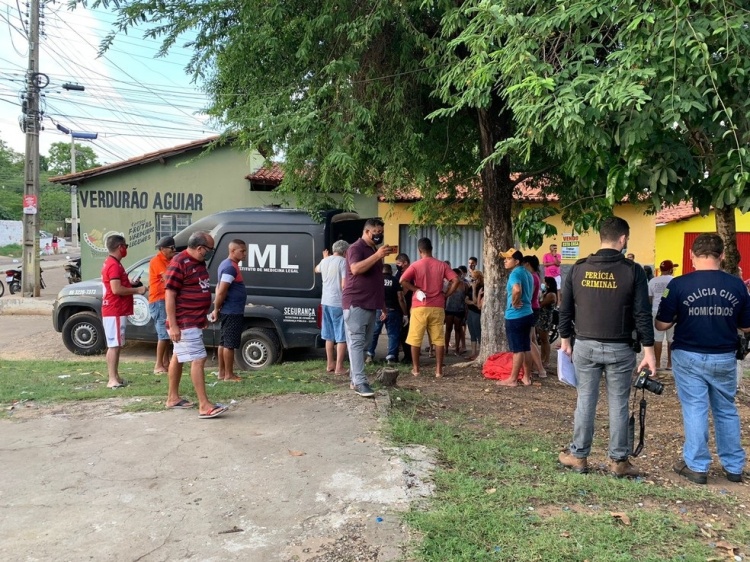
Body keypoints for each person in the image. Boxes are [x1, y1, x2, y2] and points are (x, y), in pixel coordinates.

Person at [558, 216, 656, 478]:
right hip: (621, 348)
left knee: (585, 401)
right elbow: (642, 313)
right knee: (619, 404)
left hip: (585, 346)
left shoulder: (578, 269)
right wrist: (649, 351)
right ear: (623, 239)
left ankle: (578, 456)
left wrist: (565, 339)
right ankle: (618, 462)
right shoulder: (632, 270)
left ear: (601, 236)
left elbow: (565, 308)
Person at [656, 234, 750, 485]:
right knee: (726, 410)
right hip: (724, 355)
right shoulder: (737, 285)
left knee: (695, 408)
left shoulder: (678, 285)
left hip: (688, 354)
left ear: (692, 256)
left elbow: (662, 323)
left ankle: (697, 466)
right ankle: (734, 466)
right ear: (721, 256)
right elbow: (746, 326)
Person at [165, 231, 228, 417]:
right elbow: (169, 294)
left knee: (178, 356)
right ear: (200, 248)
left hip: (194, 319)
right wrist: (174, 325)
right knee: (198, 359)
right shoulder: (179, 263)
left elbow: (198, 288)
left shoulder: (199, 263)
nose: (210, 253)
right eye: (209, 249)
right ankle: (204, 405)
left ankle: (172, 398)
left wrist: (203, 316)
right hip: (184, 321)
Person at [342, 219, 396, 397]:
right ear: (366, 232)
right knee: (357, 342)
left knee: (365, 344)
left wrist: (382, 305)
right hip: (356, 302)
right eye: (376, 231)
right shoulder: (355, 248)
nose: (379, 234)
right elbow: (356, 269)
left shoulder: (373, 249)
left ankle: (354, 379)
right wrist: (377, 256)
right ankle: (360, 382)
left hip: (372, 304)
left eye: (381, 230)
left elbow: (376, 280)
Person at [400, 237, 461, 377]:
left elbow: (402, 280)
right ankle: (439, 370)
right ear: (432, 249)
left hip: (419, 306)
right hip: (438, 306)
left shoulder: (415, 265)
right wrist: (447, 294)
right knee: (438, 339)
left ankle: (416, 369)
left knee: (415, 338)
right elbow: (456, 280)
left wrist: (415, 289)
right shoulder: (442, 265)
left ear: (419, 250)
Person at [101, 234, 147, 389]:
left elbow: (118, 284)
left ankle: (115, 376)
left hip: (115, 309)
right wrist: (137, 289)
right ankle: (112, 379)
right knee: (114, 345)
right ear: (120, 247)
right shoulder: (113, 265)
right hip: (115, 309)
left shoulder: (113, 263)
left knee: (116, 344)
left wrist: (131, 283)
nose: (126, 249)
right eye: (125, 246)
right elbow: (116, 289)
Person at [209, 239, 248, 382]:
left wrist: (217, 308)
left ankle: (222, 372)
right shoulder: (230, 267)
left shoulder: (228, 265)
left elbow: (219, 287)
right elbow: (221, 290)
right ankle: (229, 375)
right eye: (242, 251)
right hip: (232, 310)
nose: (245, 254)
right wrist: (216, 309)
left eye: (245, 251)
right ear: (232, 251)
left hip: (229, 309)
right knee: (229, 344)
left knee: (224, 342)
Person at [496, 249, 535, 387]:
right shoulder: (528, 273)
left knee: (518, 349)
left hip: (515, 316)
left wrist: (514, 301)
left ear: (516, 261)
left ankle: (512, 379)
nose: (505, 261)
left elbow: (517, 289)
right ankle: (527, 377)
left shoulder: (515, 273)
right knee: (526, 347)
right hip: (528, 313)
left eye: (508, 258)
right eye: (504, 258)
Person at [315, 240, 349, 375]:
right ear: (345, 252)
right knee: (341, 337)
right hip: (338, 303)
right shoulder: (343, 263)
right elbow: (344, 285)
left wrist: (325, 259)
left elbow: (316, 269)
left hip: (325, 302)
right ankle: (339, 367)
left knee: (329, 336)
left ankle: (330, 364)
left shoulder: (325, 261)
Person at [367, 263, 407, 365]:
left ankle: (369, 355)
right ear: (391, 271)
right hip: (393, 310)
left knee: (374, 333)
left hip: (377, 310)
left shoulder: (376, 281)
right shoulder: (395, 281)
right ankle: (391, 358)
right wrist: (405, 313)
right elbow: (400, 298)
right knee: (393, 334)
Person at [148, 236, 177, 374]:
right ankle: (158, 365)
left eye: (174, 247)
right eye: (171, 248)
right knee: (163, 335)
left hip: (165, 299)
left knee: (166, 333)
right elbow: (169, 278)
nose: (174, 250)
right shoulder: (157, 261)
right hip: (159, 300)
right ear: (162, 249)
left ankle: (166, 362)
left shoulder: (170, 260)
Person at [648, 259, 678, 370]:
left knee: (657, 339)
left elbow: (650, 299)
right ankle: (670, 364)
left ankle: (657, 364)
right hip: (672, 312)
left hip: (656, 310)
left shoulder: (652, 281)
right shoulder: (675, 280)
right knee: (671, 339)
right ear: (671, 270)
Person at [522, 255, 547, 378]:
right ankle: (536, 368)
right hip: (534, 308)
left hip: (531, 308)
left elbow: (529, 295)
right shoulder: (535, 276)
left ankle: (540, 369)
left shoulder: (532, 277)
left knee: (529, 341)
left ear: (527, 264)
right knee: (532, 340)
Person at [395, 252, 413, 364]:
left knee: (407, 333)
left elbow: (404, 291)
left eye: (399, 263)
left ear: (405, 263)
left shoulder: (410, 273)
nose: (397, 265)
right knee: (401, 333)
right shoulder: (398, 273)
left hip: (409, 306)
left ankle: (408, 356)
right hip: (400, 307)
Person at [445, 268, 467, 355]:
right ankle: (446, 348)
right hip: (449, 309)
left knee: (457, 329)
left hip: (459, 310)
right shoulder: (448, 284)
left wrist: (466, 312)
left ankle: (457, 348)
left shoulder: (464, 285)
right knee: (448, 329)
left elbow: (466, 299)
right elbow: (444, 296)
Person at [537, 276, 558, 367]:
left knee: (545, 340)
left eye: (545, 283)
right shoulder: (546, 293)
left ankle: (547, 360)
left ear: (548, 284)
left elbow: (541, 304)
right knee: (542, 340)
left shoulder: (551, 295)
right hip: (542, 318)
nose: (543, 284)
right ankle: (542, 358)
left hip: (545, 319)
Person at [465, 269, 484, 360]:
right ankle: (473, 352)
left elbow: (477, 301)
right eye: (471, 279)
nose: (472, 281)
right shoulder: (470, 287)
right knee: (472, 332)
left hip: (477, 313)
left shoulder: (482, 288)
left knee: (478, 332)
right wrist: (473, 303)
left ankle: (480, 352)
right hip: (471, 311)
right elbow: (466, 300)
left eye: (473, 279)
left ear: (478, 279)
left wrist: (473, 289)